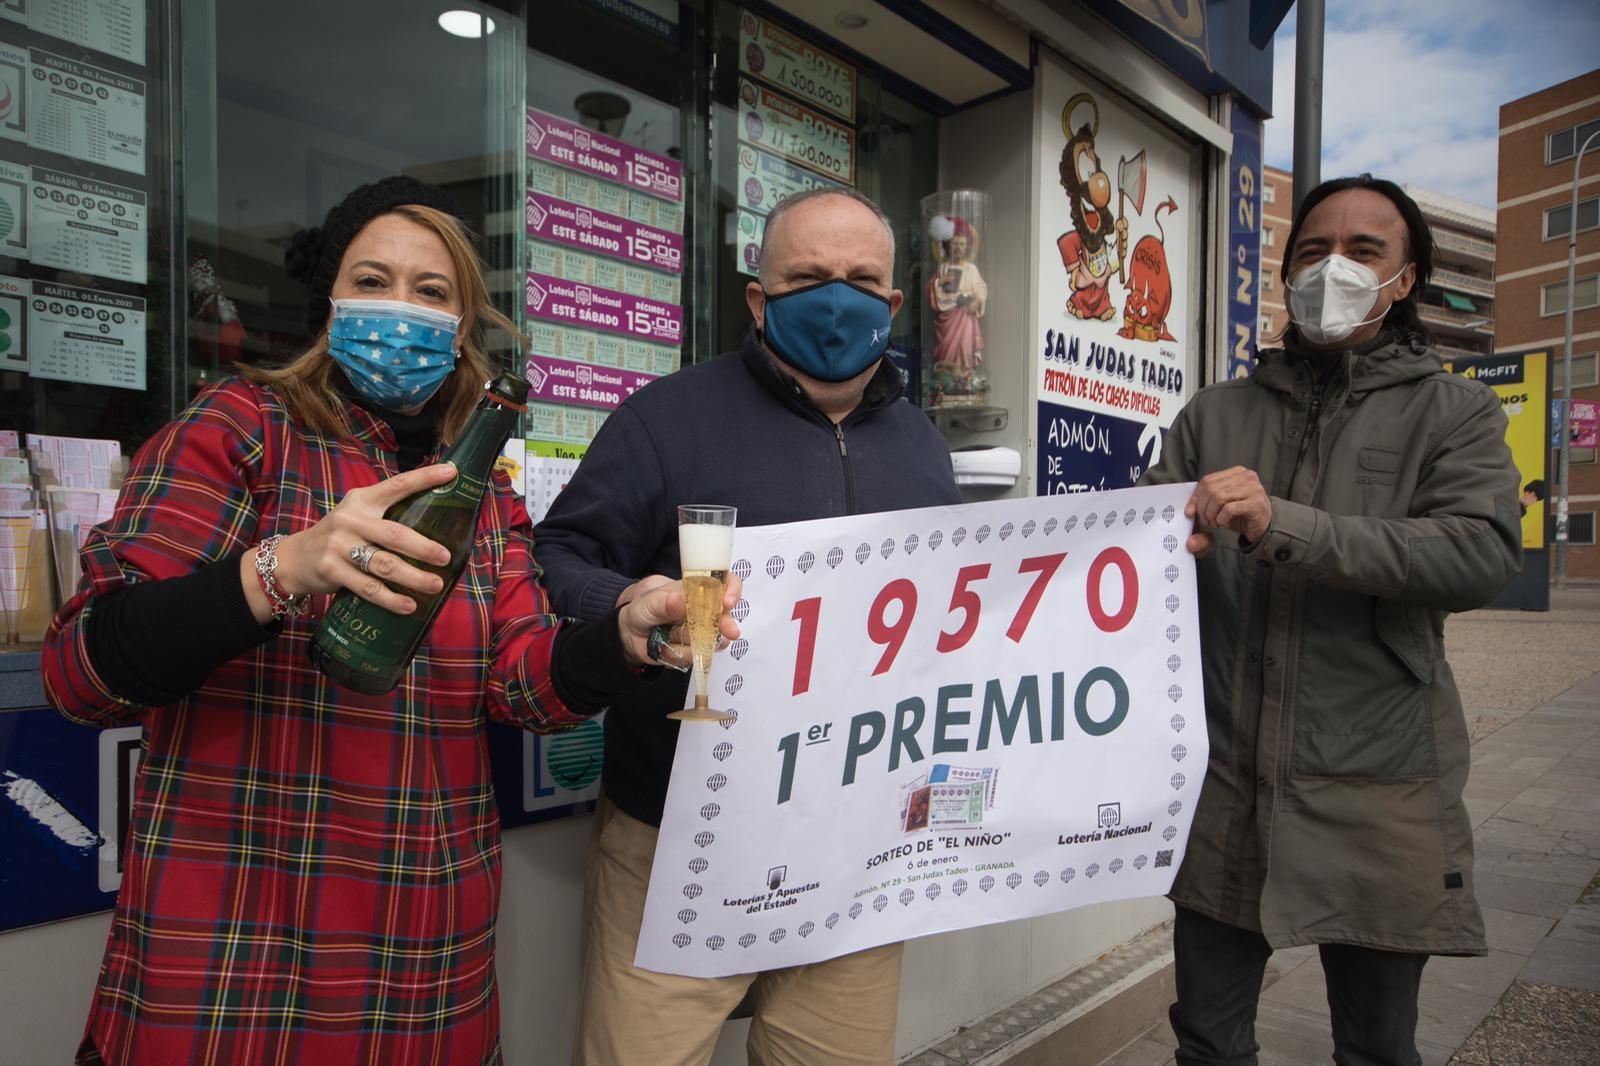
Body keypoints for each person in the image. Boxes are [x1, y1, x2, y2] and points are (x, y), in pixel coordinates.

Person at [42, 176, 737, 1066]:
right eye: (372, 281)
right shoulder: (240, 431)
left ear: (462, 326)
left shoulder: (485, 496)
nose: (400, 307)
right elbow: (80, 671)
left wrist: (624, 637)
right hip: (228, 953)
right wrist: (283, 569)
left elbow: (524, 685)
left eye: (431, 291)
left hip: (423, 959)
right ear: (330, 305)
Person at [534, 186, 961, 1066]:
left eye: (861, 279)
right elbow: (557, 555)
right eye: (808, 277)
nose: (836, 297)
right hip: (675, 836)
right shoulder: (666, 419)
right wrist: (632, 605)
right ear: (759, 301)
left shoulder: (923, 445)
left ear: (892, 303)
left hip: (856, 844)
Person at [1141, 175, 1522, 1066]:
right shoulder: (1216, 413)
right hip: (1225, 789)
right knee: (1208, 1043)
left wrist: (1287, 526)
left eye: (1363, 251)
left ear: (1406, 278)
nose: (1333, 268)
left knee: (1378, 1047)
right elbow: (1140, 550)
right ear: (1286, 273)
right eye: (1313, 251)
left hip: (1378, 794)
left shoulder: (1454, 411)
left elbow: (1479, 553)